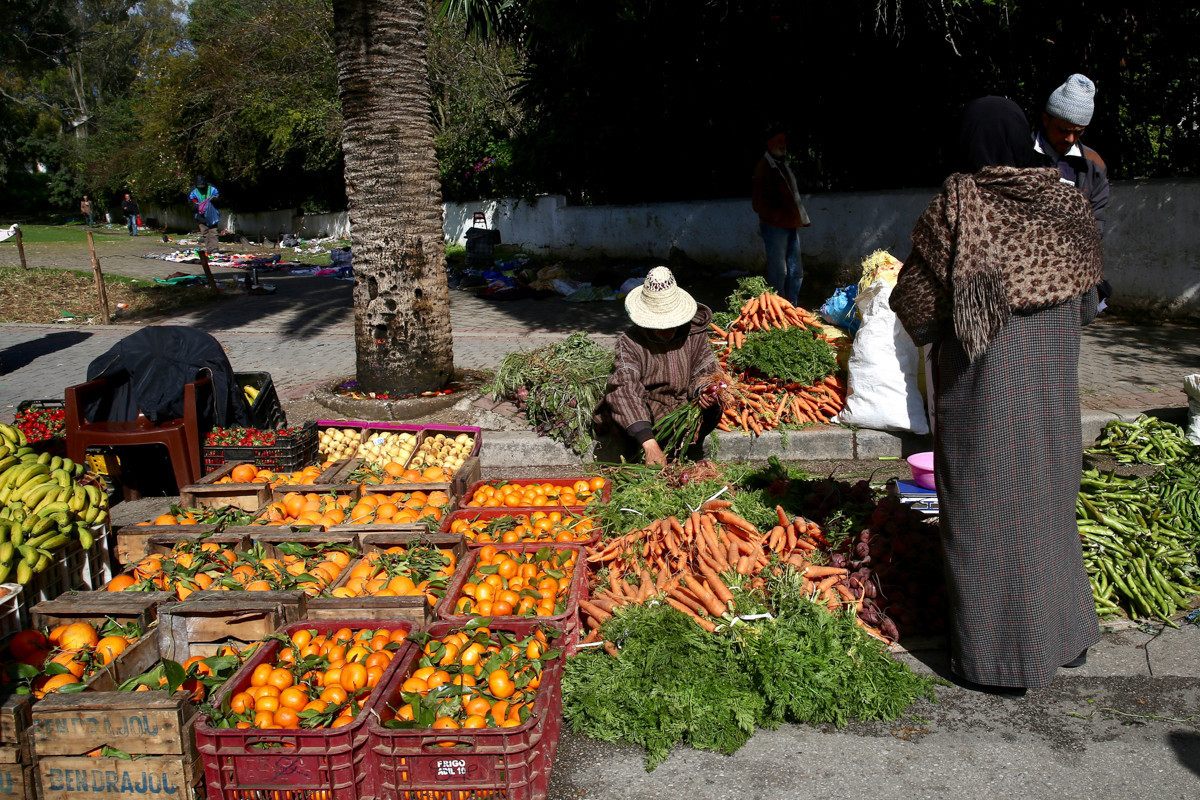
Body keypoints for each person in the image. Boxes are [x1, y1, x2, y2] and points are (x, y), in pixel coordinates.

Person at [889, 96, 1103, 696]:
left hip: (984, 394)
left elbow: (920, 309)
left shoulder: (957, 206)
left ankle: (1000, 661)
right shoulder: (1067, 200)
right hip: (1053, 391)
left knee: (986, 515)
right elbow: (1089, 300)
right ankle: (1066, 639)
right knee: (1050, 505)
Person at [594, 267, 723, 466]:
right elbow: (624, 388)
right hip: (647, 417)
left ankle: (687, 449)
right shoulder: (630, 342)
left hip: (683, 414)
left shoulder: (694, 336)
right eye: (658, 324)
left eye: (670, 322)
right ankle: (639, 452)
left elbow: (706, 370)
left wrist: (703, 393)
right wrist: (649, 443)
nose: (665, 329)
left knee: (717, 403)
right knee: (619, 402)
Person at [1034, 73, 1109, 237]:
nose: (1070, 139)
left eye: (1078, 132)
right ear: (1046, 119)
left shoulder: (1093, 165)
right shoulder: (1022, 153)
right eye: (1063, 130)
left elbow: (1097, 220)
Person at [752, 125, 811, 305]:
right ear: (769, 144)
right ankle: (779, 307)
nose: (783, 145)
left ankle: (792, 306)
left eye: (784, 141)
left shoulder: (781, 165)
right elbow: (758, 204)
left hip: (790, 224)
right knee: (780, 272)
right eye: (779, 141)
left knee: (796, 271)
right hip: (775, 227)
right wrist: (777, 217)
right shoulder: (764, 167)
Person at [189, 175, 221, 254]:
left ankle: (214, 249)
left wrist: (213, 199)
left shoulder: (212, 188)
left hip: (212, 214)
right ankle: (209, 249)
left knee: (213, 232)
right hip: (200, 215)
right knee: (205, 232)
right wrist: (201, 208)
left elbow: (218, 198)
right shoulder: (193, 191)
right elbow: (192, 204)